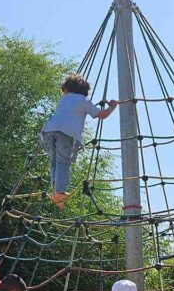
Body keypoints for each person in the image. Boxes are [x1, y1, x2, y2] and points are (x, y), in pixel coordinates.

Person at [40, 73, 118, 207]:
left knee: (53, 162)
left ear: (66, 89)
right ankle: (60, 191)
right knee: (63, 161)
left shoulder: (63, 100)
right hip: (66, 133)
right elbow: (101, 115)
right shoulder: (83, 101)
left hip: (47, 131)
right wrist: (112, 107)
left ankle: (56, 193)